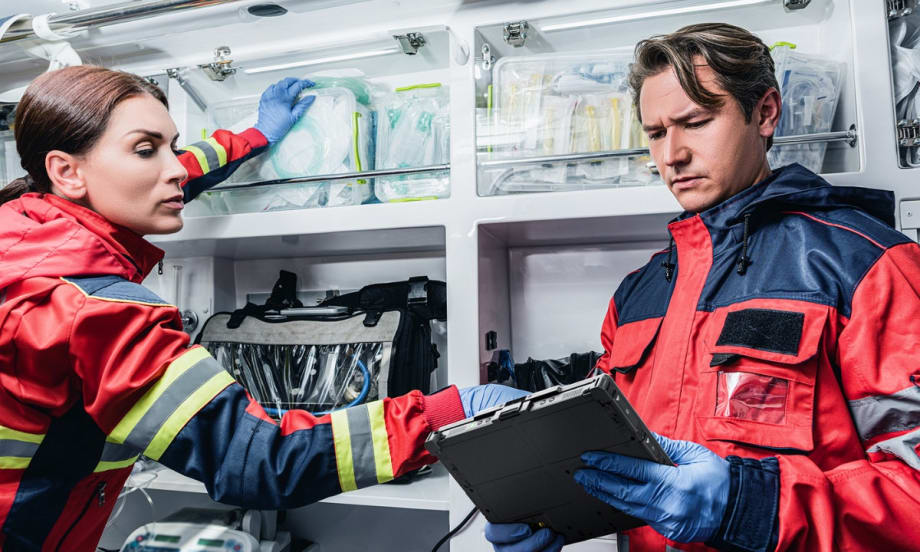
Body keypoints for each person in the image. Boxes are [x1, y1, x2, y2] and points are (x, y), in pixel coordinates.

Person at [0, 65, 526, 551]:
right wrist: (448, 413)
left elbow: (176, 172)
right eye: (146, 150)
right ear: (66, 172)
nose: (176, 169)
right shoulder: (98, 312)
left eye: (172, 147)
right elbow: (258, 459)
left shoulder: (21, 236)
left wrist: (254, 136)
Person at [485, 23, 920, 552]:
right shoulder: (637, 293)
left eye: (695, 122)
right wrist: (554, 508)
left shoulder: (868, 266)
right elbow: (620, 461)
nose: (672, 155)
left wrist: (746, 505)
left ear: (765, 113)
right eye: (655, 133)